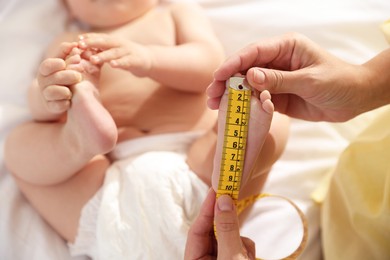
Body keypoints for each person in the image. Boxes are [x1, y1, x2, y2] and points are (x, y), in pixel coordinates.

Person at [3, 0, 290, 258]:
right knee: (19, 145)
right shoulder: (68, 43)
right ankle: (77, 142)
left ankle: (237, 153)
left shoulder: (174, 14)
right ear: (67, 5)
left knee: (272, 115)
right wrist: (47, 96)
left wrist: (149, 59)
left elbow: (210, 65)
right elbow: (41, 103)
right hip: (109, 189)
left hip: (202, 169)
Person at [186, 32, 390, 259]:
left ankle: (231, 166)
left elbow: (205, 61)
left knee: (269, 131)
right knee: (216, 208)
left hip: (172, 170)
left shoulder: (174, 13)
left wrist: (149, 60)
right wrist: (365, 82)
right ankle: (230, 172)